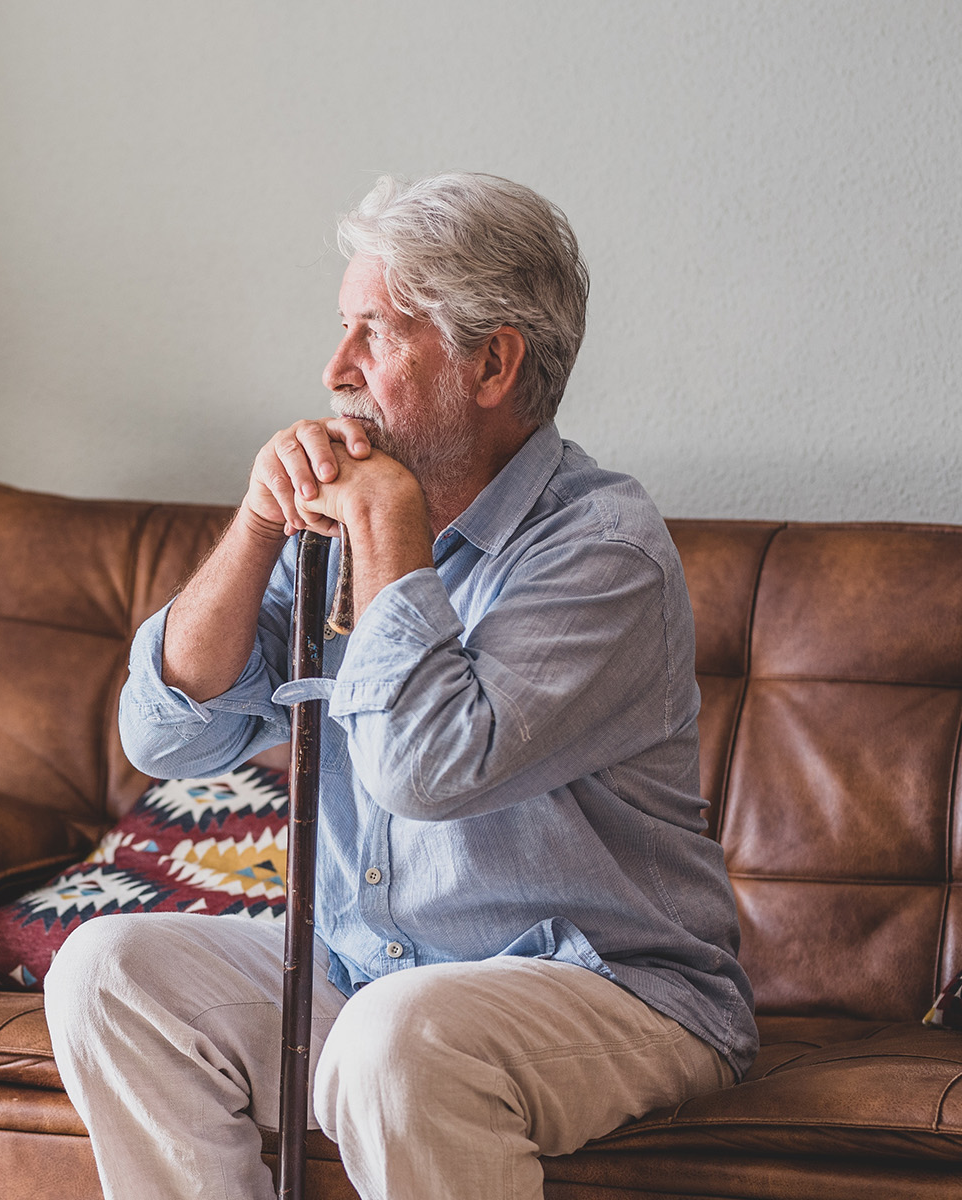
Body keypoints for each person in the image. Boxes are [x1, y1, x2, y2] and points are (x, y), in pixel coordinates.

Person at [43, 173, 756, 1200]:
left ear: (492, 363)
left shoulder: (602, 550)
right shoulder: (329, 531)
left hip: (614, 990)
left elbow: (423, 772)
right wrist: (258, 523)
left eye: (373, 333)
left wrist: (387, 523)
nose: (334, 369)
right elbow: (164, 738)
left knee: (397, 1039)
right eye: (343, 329)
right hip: (373, 973)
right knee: (107, 973)